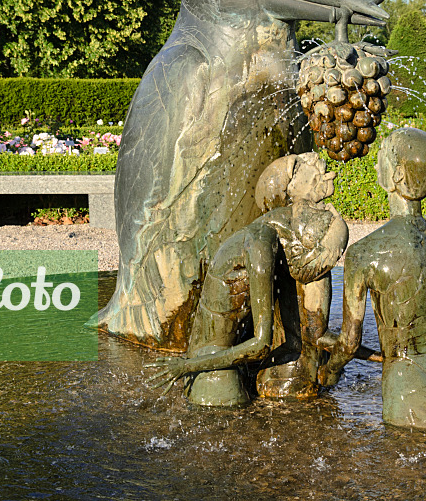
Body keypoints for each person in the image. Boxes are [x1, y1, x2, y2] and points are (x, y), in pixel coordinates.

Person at [147, 153, 348, 406]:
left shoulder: (274, 248)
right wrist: (186, 366)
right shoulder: (261, 245)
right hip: (213, 371)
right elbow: (261, 345)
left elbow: (311, 331)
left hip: (229, 364)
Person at [317, 127, 426, 429]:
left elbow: (349, 343)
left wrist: (328, 372)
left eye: (382, 158)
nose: (376, 165)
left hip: (407, 388)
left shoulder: (365, 252)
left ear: (397, 175)